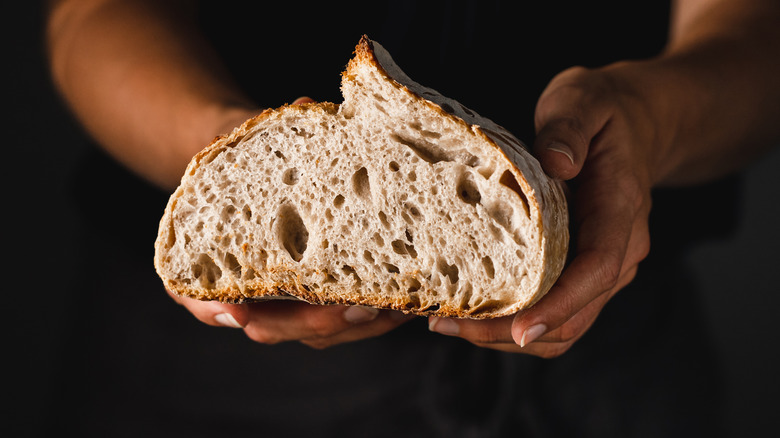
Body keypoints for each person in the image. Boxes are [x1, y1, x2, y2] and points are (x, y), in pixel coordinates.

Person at [44, 0, 780, 436]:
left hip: (615, 353)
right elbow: (90, 15)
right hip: (209, 385)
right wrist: (232, 152)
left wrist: (648, 119)